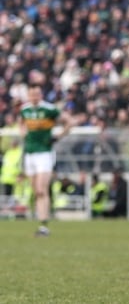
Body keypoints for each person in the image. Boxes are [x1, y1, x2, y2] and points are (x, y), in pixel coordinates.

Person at [19, 84, 72, 236]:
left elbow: (69, 121)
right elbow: (22, 123)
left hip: (44, 153)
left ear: (41, 95)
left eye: (37, 94)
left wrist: (59, 136)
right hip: (30, 153)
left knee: (42, 189)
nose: (34, 97)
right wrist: (23, 134)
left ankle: (44, 225)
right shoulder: (25, 110)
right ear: (28, 96)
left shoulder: (49, 109)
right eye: (32, 95)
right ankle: (41, 221)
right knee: (36, 191)